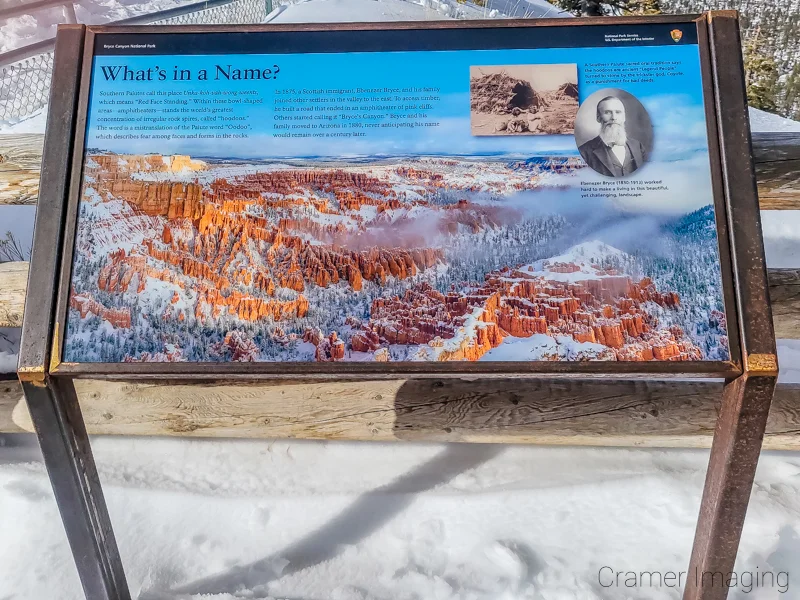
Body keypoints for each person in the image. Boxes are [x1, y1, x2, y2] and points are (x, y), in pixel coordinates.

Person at [578, 96, 647, 178]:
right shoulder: (584, 152)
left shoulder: (638, 146)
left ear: (624, 117)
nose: (614, 118)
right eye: (607, 112)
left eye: (618, 112)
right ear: (598, 118)